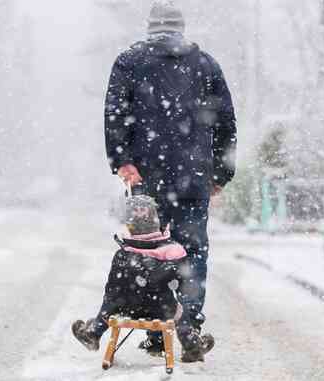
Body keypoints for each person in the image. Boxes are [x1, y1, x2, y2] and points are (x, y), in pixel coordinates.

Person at [104, 0, 237, 357]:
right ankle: (189, 329)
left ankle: (155, 328)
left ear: (151, 27)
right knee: (191, 254)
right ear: (181, 28)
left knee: (149, 254)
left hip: (147, 178)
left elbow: (116, 113)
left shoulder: (129, 61)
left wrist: (122, 161)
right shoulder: (206, 64)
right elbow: (226, 121)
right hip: (193, 179)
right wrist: (221, 173)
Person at [71, 196, 214, 362]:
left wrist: (113, 305)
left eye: (141, 210)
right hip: (160, 309)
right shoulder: (171, 251)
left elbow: (111, 290)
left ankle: (94, 332)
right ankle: (192, 346)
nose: (139, 213)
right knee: (178, 310)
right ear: (155, 218)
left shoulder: (123, 254)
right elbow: (182, 283)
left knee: (112, 298)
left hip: (124, 307)